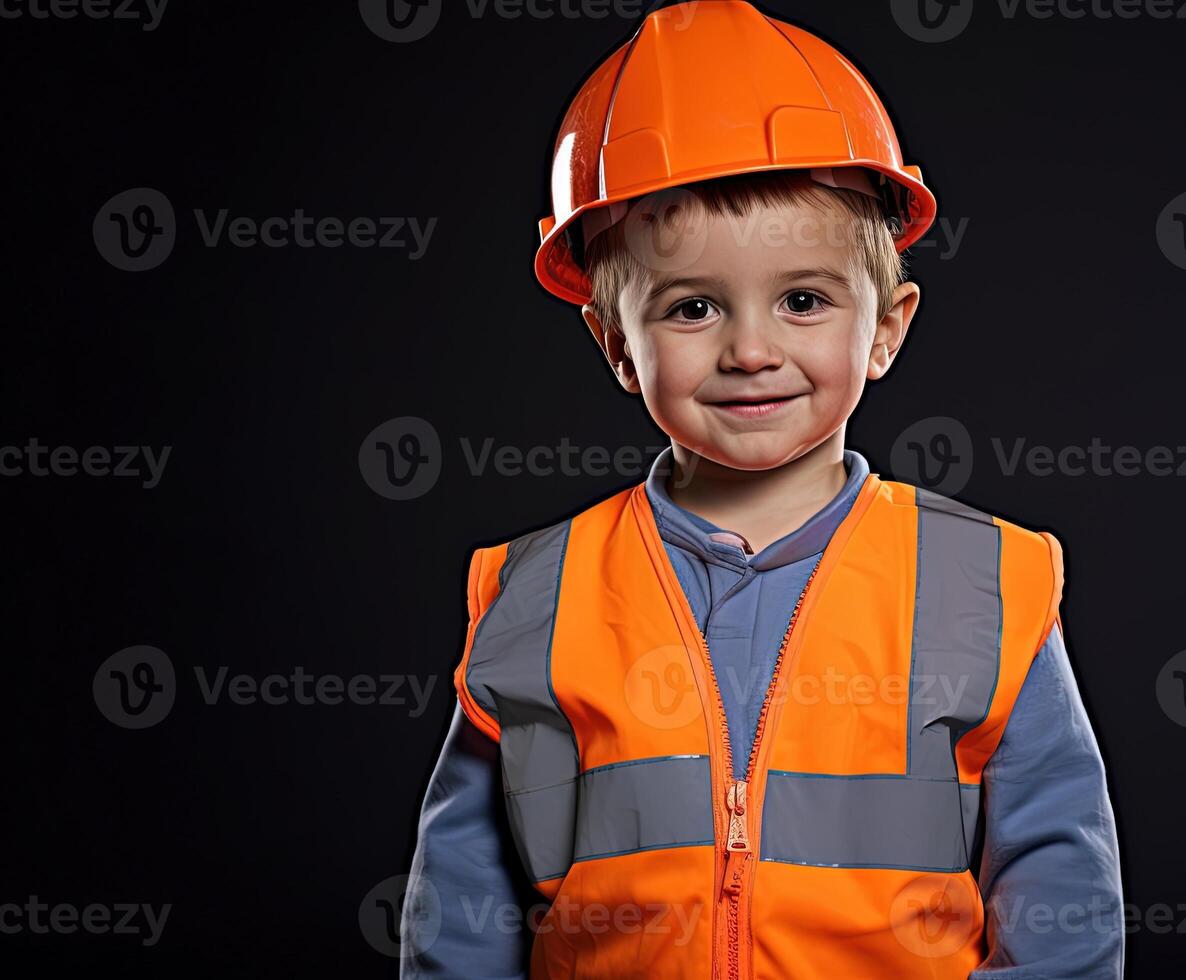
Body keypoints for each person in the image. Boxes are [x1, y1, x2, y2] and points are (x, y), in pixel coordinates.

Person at [402, 2, 1123, 977]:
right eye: (693, 306)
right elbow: (466, 892)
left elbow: (1057, 875)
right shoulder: (539, 590)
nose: (750, 349)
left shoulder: (983, 580)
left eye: (803, 300)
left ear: (887, 327)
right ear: (616, 340)